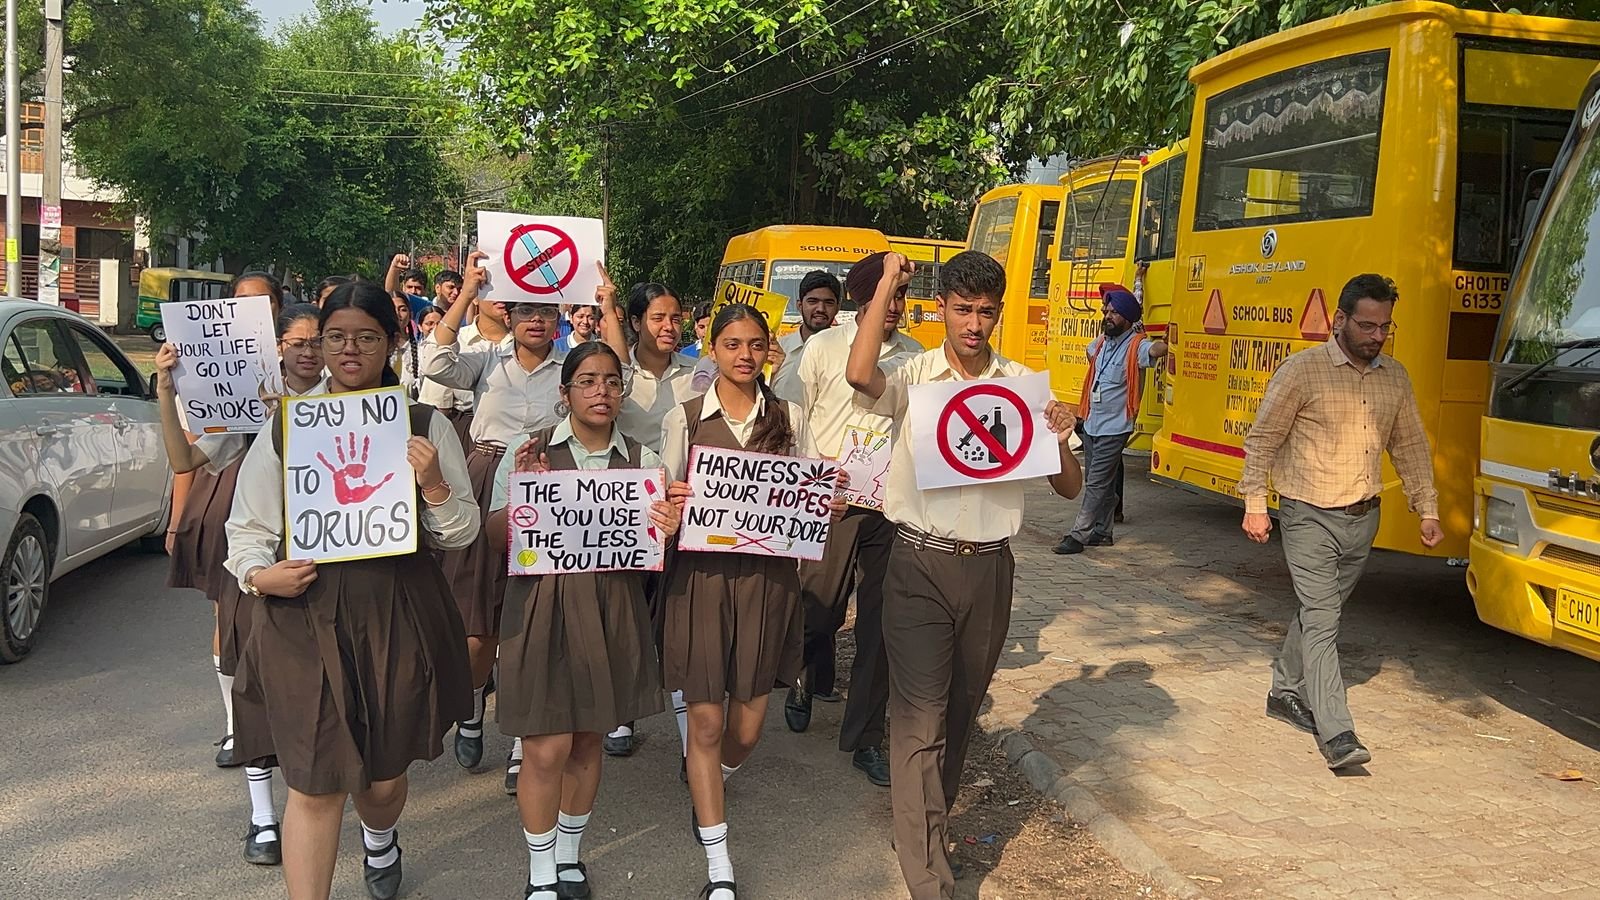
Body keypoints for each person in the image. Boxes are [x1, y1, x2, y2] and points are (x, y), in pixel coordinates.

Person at [224, 282, 477, 900]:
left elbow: (461, 532)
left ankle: (380, 835)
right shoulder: (287, 426)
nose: (349, 350)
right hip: (304, 614)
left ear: (392, 341)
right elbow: (248, 528)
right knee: (314, 782)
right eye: (335, 337)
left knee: (382, 782)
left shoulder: (425, 424)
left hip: (395, 611)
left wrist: (434, 484)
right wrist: (259, 575)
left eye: (366, 337)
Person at [845, 251, 1082, 900]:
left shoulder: (1022, 385)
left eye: (985, 311)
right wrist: (887, 284)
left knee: (958, 715)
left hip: (990, 570)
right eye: (962, 310)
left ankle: (922, 826)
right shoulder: (914, 376)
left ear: (998, 313)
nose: (973, 324)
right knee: (918, 720)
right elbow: (859, 373)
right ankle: (928, 875)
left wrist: (1061, 432)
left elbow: (1068, 489)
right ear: (940, 309)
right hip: (918, 564)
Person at [486, 341, 681, 900]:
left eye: (612, 382)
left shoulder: (645, 462)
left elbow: (654, 553)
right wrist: (523, 493)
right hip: (541, 608)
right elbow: (495, 537)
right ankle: (541, 871)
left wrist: (668, 528)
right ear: (565, 392)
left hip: (612, 609)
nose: (602, 392)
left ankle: (569, 857)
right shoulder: (530, 450)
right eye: (588, 381)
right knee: (545, 745)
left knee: (589, 740)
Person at [660, 304, 841, 900]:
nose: (744, 355)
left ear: (769, 351)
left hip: (768, 585)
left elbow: (812, 492)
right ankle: (719, 863)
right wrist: (669, 508)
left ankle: (711, 773)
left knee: (746, 727)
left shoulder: (790, 417)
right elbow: (661, 503)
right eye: (732, 344)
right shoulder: (684, 418)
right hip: (702, 582)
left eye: (755, 344)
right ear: (712, 349)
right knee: (706, 722)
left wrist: (829, 501)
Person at [1241, 273, 1441, 771]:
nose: (1377, 336)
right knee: (1324, 618)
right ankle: (1338, 733)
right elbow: (1262, 439)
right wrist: (1255, 503)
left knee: (1319, 613)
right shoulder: (1301, 371)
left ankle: (1283, 691)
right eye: (1367, 326)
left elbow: (1410, 446)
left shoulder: (1395, 377)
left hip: (1363, 518)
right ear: (1340, 320)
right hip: (1308, 514)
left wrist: (1427, 508)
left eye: (1385, 327)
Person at [158, 294, 317, 868]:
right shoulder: (249, 405)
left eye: (318, 342)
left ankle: (345, 816)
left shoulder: (355, 404)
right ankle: (263, 816)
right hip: (258, 563)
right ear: (277, 348)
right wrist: (167, 390)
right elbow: (186, 460)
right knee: (252, 681)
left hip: (325, 565)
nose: (308, 353)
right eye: (296, 343)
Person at [782, 253, 922, 791]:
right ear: (865, 298)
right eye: (888, 294)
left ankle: (866, 737)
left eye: (902, 295)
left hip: (891, 505)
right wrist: (813, 479)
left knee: (880, 626)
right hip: (831, 501)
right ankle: (801, 677)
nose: (896, 306)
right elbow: (794, 419)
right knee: (819, 611)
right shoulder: (821, 348)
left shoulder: (916, 357)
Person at [426, 250, 568, 776]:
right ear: (509, 314)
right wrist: (467, 290)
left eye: (548, 311)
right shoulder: (485, 359)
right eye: (526, 310)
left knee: (534, 617)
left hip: (551, 483)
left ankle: (522, 741)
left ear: (559, 317)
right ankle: (470, 710)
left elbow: (615, 379)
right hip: (487, 480)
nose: (537, 320)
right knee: (479, 622)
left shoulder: (571, 367)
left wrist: (608, 307)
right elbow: (435, 363)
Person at [164, 270, 285, 770]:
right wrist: (177, 521)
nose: (250, 312)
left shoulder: (305, 366)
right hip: (237, 497)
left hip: (306, 505)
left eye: (262, 304)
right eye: (240, 302)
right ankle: (238, 722)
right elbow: (191, 455)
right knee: (228, 614)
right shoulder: (212, 367)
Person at [591, 281, 703, 762]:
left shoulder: (700, 373)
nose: (669, 326)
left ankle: (690, 734)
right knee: (625, 609)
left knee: (675, 614)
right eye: (657, 317)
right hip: (625, 510)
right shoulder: (616, 375)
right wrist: (607, 306)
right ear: (636, 322)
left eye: (676, 317)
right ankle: (622, 712)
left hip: (681, 508)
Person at [1053, 282, 1166, 555]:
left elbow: (1155, 350)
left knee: (1096, 483)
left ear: (1127, 318)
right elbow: (1090, 352)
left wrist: (1169, 341)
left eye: (1114, 312)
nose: (1108, 316)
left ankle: (1079, 534)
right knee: (1099, 480)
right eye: (1107, 311)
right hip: (1092, 423)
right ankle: (1103, 532)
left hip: (1115, 427)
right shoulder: (1103, 342)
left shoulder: (1136, 346)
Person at [771, 270, 841, 403]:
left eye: (828, 302)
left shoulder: (845, 352)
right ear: (800, 305)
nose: (820, 309)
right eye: (813, 301)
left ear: (838, 307)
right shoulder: (779, 351)